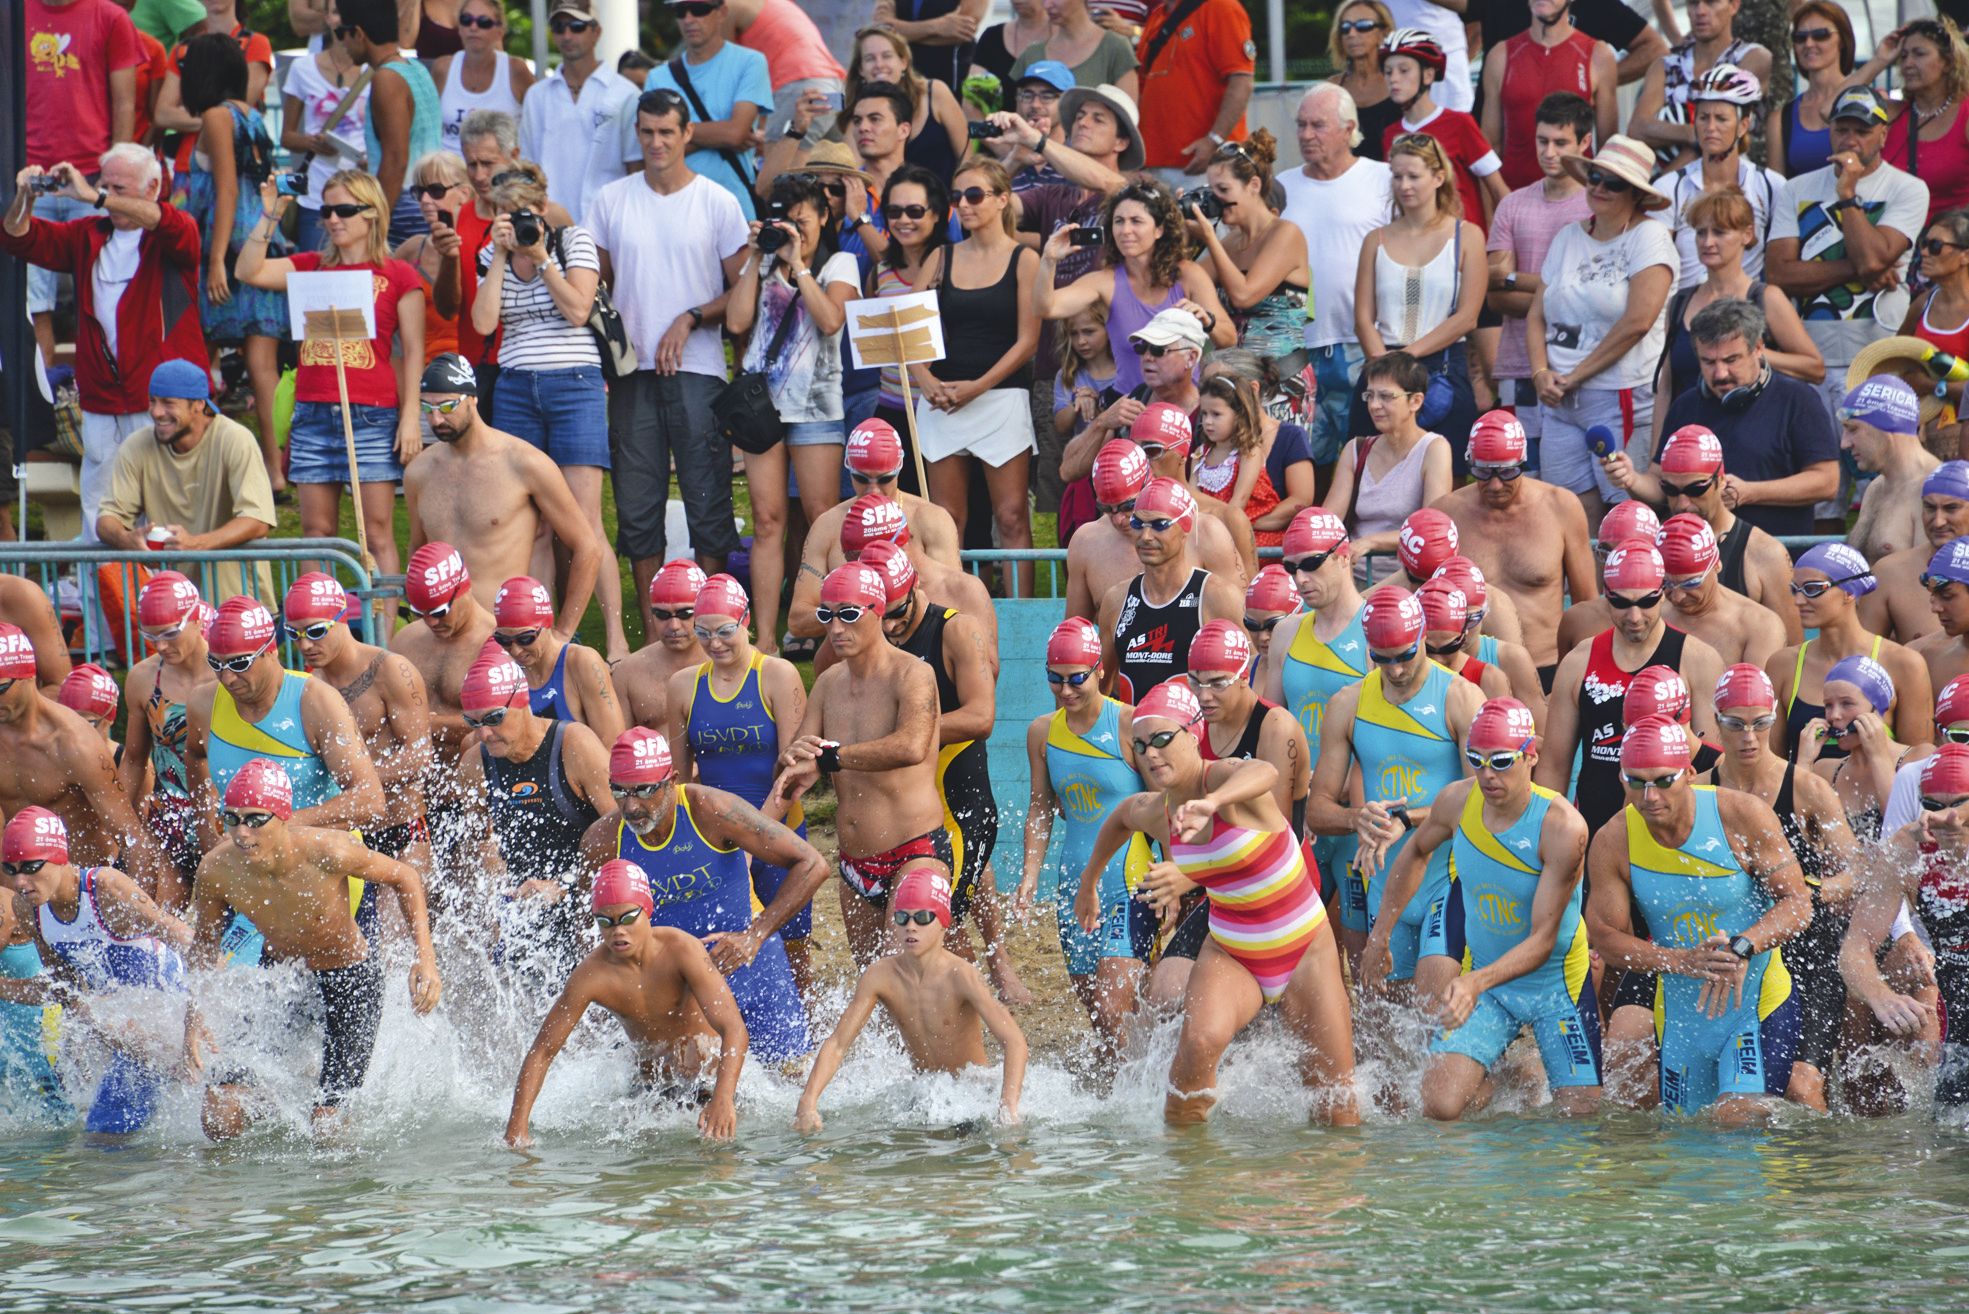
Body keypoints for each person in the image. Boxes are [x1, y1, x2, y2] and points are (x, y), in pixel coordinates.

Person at [1082, 679, 1358, 1125]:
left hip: (1304, 948)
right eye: (1140, 745)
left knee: (1337, 1110)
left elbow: (1265, 772)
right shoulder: (1159, 810)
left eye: (1162, 739)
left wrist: (1212, 803)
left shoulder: (1228, 781)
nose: (1151, 753)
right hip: (1233, 950)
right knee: (1198, 1045)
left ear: (1193, 736)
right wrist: (1089, 881)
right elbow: (1120, 817)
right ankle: (1189, 1178)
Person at [186, 758, 440, 1140]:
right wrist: (193, 1017)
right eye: (231, 818)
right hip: (283, 978)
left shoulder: (328, 850)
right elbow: (204, 947)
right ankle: (281, 1106)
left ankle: (327, 1123)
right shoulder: (216, 870)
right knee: (220, 1116)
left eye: (255, 819)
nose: (241, 832)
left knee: (327, 1128)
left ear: (283, 816)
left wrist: (426, 959)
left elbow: (405, 876)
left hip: (351, 980)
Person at [1372, 697, 1601, 1117]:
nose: (1486, 775)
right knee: (1439, 1107)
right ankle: (1507, 1074)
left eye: (1500, 761)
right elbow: (1416, 852)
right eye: (1475, 760)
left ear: (1530, 755)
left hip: (1556, 988)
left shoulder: (1562, 827)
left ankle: (1525, 1066)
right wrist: (1380, 934)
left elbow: (1543, 940)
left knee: (1580, 1120)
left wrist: (1473, 982)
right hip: (1493, 988)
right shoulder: (1458, 801)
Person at [1586, 715, 1810, 1119]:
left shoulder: (1741, 815)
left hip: (1754, 1006)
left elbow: (1798, 903)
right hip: (1681, 1018)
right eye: (1636, 781)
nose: (1650, 796)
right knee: (1685, 1147)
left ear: (1689, 773)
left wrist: (1743, 947)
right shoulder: (1614, 840)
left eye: (1663, 780)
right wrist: (1681, 962)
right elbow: (1604, 936)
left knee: (1736, 1122)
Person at [589, 89, 749, 625]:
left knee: (708, 498)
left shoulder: (717, 201)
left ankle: (711, 620)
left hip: (700, 369)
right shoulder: (611, 199)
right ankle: (658, 632)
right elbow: (597, 285)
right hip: (630, 372)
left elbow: (742, 291)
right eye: (647, 131)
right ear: (637, 133)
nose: (656, 142)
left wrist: (691, 316)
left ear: (686, 135)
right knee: (637, 504)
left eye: (666, 132)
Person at [582, 726, 820, 1064]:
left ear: (673, 781)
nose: (631, 806)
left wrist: (755, 935)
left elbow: (812, 863)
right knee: (683, 1098)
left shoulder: (712, 810)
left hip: (746, 962)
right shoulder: (601, 841)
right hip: (673, 982)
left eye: (644, 790)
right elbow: (589, 926)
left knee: (789, 1079)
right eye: (619, 792)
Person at [2, 147, 206, 535]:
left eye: (119, 187)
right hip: (101, 398)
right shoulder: (87, 234)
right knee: (99, 508)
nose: (107, 194)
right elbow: (18, 237)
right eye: (104, 184)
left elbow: (169, 223)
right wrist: (26, 197)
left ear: (152, 188)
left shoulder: (173, 232)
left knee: (162, 507)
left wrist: (92, 197)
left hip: (159, 397)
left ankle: (166, 594)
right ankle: (101, 594)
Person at [238, 168, 422, 580]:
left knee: (376, 534)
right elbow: (248, 271)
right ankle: (316, 631)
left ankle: (384, 638)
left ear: (371, 213)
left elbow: (413, 352)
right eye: (326, 211)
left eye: (343, 209)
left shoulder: (399, 274)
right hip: (314, 414)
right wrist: (270, 215)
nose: (333, 219)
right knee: (316, 533)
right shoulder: (311, 266)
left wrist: (411, 417)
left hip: (372, 415)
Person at [1311, 588, 1483, 1009]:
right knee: (1384, 1028)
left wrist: (1408, 818)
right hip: (1385, 885)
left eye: (1405, 655)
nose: (1397, 668)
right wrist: (1357, 820)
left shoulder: (1459, 698)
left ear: (1423, 635)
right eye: (1383, 658)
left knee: (1433, 1008)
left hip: (1448, 878)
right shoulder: (1348, 705)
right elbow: (1317, 810)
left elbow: (1483, 799)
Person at [1699, 663, 1858, 1111]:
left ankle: (1821, 1178)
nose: (1749, 736)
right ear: (1716, 721)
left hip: (1808, 958)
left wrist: (1816, 889)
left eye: (1760, 723)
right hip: (1735, 956)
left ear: (1774, 718)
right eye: (1735, 724)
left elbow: (1857, 871)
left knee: (1802, 1090)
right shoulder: (1700, 791)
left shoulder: (1806, 789)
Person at [467, 160, 618, 634]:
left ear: (543, 205)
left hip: (575, 384)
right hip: (515, 386)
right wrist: (497, 256)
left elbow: (577, 310)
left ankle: (615, 636)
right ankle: (538, 635)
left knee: (584, 521)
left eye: (525, 212)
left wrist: (543, 256)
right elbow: (484, 324)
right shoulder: (489, 253)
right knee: (531, 524)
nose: (518, 222)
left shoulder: (573, 241)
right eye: (507, 214)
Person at [770, 564, 946, 967]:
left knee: (907, 977)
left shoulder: (913, 673)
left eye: (848, 614)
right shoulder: (830, 681)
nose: (835, 627)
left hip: (914, 850)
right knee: (876, 981)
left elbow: (911, 746)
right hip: (853, 864)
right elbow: (801, 756)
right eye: (825, 615)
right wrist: (795, 760)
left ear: (878, 612)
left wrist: (831, 757)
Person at [505, 859, 749, 1147]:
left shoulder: (681, 950)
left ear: (647, 910)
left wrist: (723, 1098)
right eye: (605, 922)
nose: (617, 931)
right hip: (649, 1090)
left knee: (719, 1162)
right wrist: (516, 1130)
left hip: (709, 1085)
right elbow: (542, 1052)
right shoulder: (591, 975)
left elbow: (734, 1029)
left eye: (627, 917)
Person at [659, 577, 817, 995]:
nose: (714, 643)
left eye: (725, 631)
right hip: (718, 836)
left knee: (792, 946)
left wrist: (756, 837)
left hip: (777, 829)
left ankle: (808, 1035)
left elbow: (794, 775)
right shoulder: (683, 685)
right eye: (704, 633)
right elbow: (676, 781)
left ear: (746, 621)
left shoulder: (777, 676)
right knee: (718, 948)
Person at [723, 174, 858, 652]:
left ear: (824, 217)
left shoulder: (839, 262)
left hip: (817, 405)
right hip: (764, 409)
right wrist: (758, 258)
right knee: (767, 521)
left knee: (822, 515)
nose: (794, 228)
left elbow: (830, 320)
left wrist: (799, 264)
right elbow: (736, 322)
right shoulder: (762, 265)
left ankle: (829, 627)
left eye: (803, 218)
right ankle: (763, 639)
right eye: (786, 221)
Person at [794, 862, 1028, 1132]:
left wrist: (1008, 1105)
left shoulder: (961, 976)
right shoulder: (880, 976)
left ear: (943, 921)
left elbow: (1014, 1041)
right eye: (903, 918)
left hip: (971, 1094)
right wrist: (808, 1101)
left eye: (922, 918)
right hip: (924, 1093)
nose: (911, 927)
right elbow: (837, 1044)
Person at [3, 808, 190, 1134]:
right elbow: (62, 990)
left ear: (58, 857)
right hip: (125, 1027)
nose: (20, 882)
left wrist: (199, 1025)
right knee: (104, 1136)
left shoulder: (104, 887)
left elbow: (187, 940)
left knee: (105, 1137)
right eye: (10, 869)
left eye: (31, 867)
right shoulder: (29, 909)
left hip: (172, 1011)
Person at [406, 353, 608, 652]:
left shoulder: (524, 463)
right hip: (442, 639)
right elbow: (418, 552)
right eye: (427, 408)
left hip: (504, 640)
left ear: (472, 399)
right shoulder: (418, 473)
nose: (436, 418)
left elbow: (587, 548)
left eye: (447, 406)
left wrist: (563, 634)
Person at [1020, 617, 1154, 1066]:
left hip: (1129, 883)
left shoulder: (1129, 725)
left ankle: (1148, 1099)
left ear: (1099, 669)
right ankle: (1133, 1094)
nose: (1066, 690)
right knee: (1099, 1012)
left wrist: (1176, 870)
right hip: (1074, 887)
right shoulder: (1043, 732)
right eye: (1055, 679)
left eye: (1077, 678)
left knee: (1113, 1003)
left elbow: (1163, 804)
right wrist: (1029, 875)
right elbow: (1040, 807)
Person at [1525, 133, 1677, 527]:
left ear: (1636, 194)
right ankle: (1586, 592)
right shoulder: (1567, 236)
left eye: (1613, 183)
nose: (1598, 188)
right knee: (1570, 514)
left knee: (1626, 515)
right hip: (1559, 399)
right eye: (1594, 176)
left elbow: (1638, 323)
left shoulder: (1650, 237)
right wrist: (1541, 373)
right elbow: (1535, 314)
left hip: (1618, 393)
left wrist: (1573, 376)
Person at [1765, 88, 1929, 432]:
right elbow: (1779, 273)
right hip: (1809, 356)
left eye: (1862, 131)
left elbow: (1872, 260)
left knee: (1872, 470)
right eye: (1842, 129)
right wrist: (1860, 269)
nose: (1850, 140)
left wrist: (1847, 195)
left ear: (1883, 135)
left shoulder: (1909, 188)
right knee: (1823, 470)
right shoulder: (1795, 189)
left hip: (1879, 356)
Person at [1538, 539, 1725, 839]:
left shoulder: (1698, 661)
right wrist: (1546, 839)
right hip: (1596, 832)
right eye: (1622, 603)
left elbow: (1707, 766)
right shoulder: (1579, 662)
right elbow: (1554, 767)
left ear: (1663, 593)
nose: (1634, 616)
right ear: (1606, 596)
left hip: (1672, 836)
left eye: (1646, 602)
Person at [184, 596, 387, 870]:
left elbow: (370, 800)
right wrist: (207, 833)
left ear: (271, 650)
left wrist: (274, 827)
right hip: (247, 870)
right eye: (216, 664)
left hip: (322, 868)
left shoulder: (315, 701)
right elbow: (195, 757)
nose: (228, 677)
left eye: (240, 663)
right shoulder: (203, 703)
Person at [450, 650, 610, 983]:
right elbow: (477, 847)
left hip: (588, 896)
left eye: (493, 718)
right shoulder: (474, 765)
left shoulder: (575, 745)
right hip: (523, 907)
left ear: (522, 701)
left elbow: (626, 834)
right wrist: (490, 895)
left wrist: (569, 889)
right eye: (473, 722)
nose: (484, 733)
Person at [173, 33, 286, 480]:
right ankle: (277, 471)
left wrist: (216, 258)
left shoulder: (217, 117)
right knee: (263, 366)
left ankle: (201, 461)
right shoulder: (253, 116)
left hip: (226, 249)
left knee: (198, 355)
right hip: (261, 242)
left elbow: (225, 189)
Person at [1842, 744, 1969, 1114]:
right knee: (1951, 1131)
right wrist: (1880, 996)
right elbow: (1856, 947)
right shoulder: (1908, 849)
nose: (1945, 819)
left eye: (1958, 804)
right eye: (1931, 806)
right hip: (1959, 1000)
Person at [0, 624, 169, 899]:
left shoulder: (73, 743)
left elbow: (132, 838)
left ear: (28, 676)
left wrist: (140, 926)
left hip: (86, 893)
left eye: (1, 688)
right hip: (19, 896)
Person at [282, 573, 434, 875]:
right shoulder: (311, 688)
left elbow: (420, 756)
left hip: (402, 830)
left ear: (341, 618)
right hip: (343, 835)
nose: (305, 645)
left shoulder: (390, 670)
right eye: (294, 634)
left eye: (315, 631)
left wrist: (360, 785)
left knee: (395, 924)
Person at [1277, 83, 1393, 473]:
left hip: (1361, 343)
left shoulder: (1384, 180)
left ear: (1348, 128)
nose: (1306, 135)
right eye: (1301, 125)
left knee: (1368, 459)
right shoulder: (1282, 187)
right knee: (1303, 462)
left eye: (1318, 125)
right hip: (1297, 347)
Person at [1649, 191, 1825, 446]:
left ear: (1747, 234)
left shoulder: (1766, 297)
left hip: (1755, 438)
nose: (1707, 242)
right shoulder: (1680, 302)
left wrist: (1749, 355)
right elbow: (1666, 388)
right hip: (1692, 442)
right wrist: (1659, 453)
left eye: (1719, 232)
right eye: (1700, 232)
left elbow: (1815, 368)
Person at [22, 0, 143, 370]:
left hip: (90, 179)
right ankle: (37, 412)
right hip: (29, 180)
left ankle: (100, 396)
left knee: (102, 301)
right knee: (32, 307)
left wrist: (114, 180)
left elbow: (126, 102)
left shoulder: (109, 16)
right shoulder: (11, 14)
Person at [1432, 408, 1596, 679]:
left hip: (1545, 667)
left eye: (1507, 472)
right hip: (1470, 673)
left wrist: (1581, 676)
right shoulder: (1447, 514)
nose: (1495, 485)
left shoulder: (1560, 507)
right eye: (1482, 473)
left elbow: (1586, 606)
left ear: (1523, 462)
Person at [93, 360, 275, 602]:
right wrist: (126, 539)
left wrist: (196, 544)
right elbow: (107, 519)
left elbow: (257, 520)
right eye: (153, 400)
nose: (156, 412)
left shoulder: (235, 439)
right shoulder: (137, 445)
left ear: (198, 404)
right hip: (174, 612)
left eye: (168, 403)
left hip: (239, 606)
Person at [1604, 424, 1802, 643]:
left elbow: (1791, 653)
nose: (1682, 503)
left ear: (1722, 479)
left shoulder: (1765, 554)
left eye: (1695, 489)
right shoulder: (1652, 550)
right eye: (1670, 489)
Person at [1037, 178, 1235, 399]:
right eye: (1119, 221)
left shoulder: (1188, 274)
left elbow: (1228, 339)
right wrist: (1048, 259)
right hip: (1130, 409)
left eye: (1136, 221)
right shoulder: (1105, 280)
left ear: (1159, 229)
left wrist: (1208, 321)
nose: (1125, 230)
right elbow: (1047, 308)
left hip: (1186, 411)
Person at [1486, 92, 1593, 469]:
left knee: (1577, 485)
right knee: (1521, 478)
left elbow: (1588, 296)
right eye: (1542, 141)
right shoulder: (1513, 204)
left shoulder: (1596, 205)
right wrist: (1556, 290)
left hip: (1581, 368)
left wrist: (1515, 278)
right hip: (1519, 368)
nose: (1549, 152)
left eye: (1560, 143)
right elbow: (1496, 295)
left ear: (1584, 142)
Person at [788, 421, 968, 638]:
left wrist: (894, 597)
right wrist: (848, 610)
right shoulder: (828, 526)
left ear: (900, 468)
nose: (873, 489)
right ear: (849, 468)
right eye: (862, 478)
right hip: (855, 659)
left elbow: (954, 604)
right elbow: (798, 620)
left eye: (884, 479)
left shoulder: (931, 519)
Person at [1767, 543, 1933, 758]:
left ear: (1848, 592)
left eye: (1812, 589)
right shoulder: (1783, 665)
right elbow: (1772, 762)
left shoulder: (1903, 664)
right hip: (1803, 790)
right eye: (1795, 590)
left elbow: (1917, 763)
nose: (1799, 601)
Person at [1096, 477, 1245, 701]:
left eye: (1160, 525)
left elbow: (1249, 682)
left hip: (1197, 735)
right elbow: (1097, 687)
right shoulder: (1117, 600)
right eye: (1138, 524)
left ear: (1185, 527)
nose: (1146, 536)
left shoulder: (1217, 596)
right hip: (1134, 734)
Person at [1064, 439, 1243, 623]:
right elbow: (1076, 634)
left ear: (1149, 483)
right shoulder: (1085, 542)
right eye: (1108, 509)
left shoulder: (1205, 532)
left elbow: (1242, 623)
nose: (1118, 519)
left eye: (1128, 506)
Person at [1321, 352, 1454, 573]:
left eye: (1385, 396)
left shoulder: (1434, 449)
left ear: (1415, 401)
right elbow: (1329, 520)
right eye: (1370, 396)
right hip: (1350, 576)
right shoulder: (1356, 448)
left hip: (1406, 580)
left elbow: (1431, 529)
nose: (1374, 405)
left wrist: (1372, 542)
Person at [1184, 132, 1310, 365]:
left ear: (1253, 185)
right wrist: (1183, 233)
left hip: (1281, 378)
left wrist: (1210, 238)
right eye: (1211, 191)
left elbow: (1244, 296)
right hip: (1236, 376)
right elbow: (1186, 284)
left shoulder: (1286, 233)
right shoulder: (1230, 242)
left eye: (1223, 189)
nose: (1216, 200)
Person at [117, 574, 212, 884]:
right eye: (150, 635)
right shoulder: (143, 678)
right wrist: (120, 827)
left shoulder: (230, 673)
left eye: (171, 633)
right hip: (170, 816)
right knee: (161, 917)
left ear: (196, 619)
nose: (160, 645)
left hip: (230, 815)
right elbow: (133, 759)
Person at [641, 0, 771, 219]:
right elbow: (651, 150)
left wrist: (671, 136)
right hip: (672, 210)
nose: (689, 19)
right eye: (681, 11)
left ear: (722, 12)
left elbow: (736, 133)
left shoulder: (750, 63)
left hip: (735, 208)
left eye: (699, 9)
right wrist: (723, 134)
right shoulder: (658, 76)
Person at [1659, 64, 1784, 290]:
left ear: (1743, 125)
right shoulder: (1670, 187)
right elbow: (1655, 266)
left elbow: (1781, 267)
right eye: (1703, 118)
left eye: (1721, 119)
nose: (1710, 127)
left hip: (1746, 315)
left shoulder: (1771, 186)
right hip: (1685, 313)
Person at [517, 0, 637, 225]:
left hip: (609, 224)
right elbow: (527, 168)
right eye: (559, 27)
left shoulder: (626, 94)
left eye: (577, 26)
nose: (567, 35)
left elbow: (636, 169)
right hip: (549, 224)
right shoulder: (537, 95)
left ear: (596, 31)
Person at [389, 543, 498, 787]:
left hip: (475, 792)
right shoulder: (405, 641)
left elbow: (505, 725)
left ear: (463, 589)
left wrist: (425, 723)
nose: (430, 621)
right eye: (420, 612)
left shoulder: (497, 644)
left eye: (439, 611)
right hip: (417, 792)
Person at [1480, 0, 1617, 193]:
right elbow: (1488, 151)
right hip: (1514, 198)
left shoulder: (1598, 54)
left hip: (1578, 203)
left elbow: (1608, 151)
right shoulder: (1501, 54)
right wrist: (1493, 214)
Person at [1378, 30, 1505, 230]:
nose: (1394, 78)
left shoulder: (1460, 124)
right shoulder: (1390, 135)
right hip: (1418, 248)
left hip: (1463, 245)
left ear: (1428, 75)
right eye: (1388, 71)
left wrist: (1501, 245)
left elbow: (1498, 190)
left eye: (1403, 70)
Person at [1628, 0, 1770, 174]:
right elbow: (1636, 129)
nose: (1700, 11)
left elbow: (1718, 138)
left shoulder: (1752, 57)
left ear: (1733, 5)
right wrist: (1690, 133)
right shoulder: (1665, 65)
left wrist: (1661, 189)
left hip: (1729, 184)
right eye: (1693, 3)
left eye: (1711, 2)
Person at [340, 0, 441, 241]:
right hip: (430, 201)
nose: (341, 42)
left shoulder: (387, 78)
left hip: (403, 209)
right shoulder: (416, 68)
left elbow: (396, 161)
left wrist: (373, 225)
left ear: (359, 33)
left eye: (341, 32)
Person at [491, 576, 624, 749]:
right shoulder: (502, 673)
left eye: (525, 638)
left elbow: (613, 747)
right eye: (503, 640)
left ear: (548, 624)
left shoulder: (581, 663)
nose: (515, 650)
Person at [1801, 655, 1917, 845]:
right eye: (1828, 705)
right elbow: (1802, 840)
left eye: (1847, 703)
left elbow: (1903, 841)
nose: (1834, 716)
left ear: (1876, 708)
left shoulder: (1916, 759)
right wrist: (1804, 764)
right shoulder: (1826, 771)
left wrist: (1879, 757)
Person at [278, 15, 370, 253]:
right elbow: (287, 137)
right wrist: (313, 142)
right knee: (315, 272)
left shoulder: (374, 70)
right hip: (317, 196)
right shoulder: (303, 68)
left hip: (361, 193)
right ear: (329, 19)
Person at [1133, 0, 1252, 185]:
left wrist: (1214, 141)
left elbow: (1241, 81)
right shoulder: (1157, 16)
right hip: (1153, 165)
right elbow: (1140, 89)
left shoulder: (1221, 7)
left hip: (1205, 164)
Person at [1199, 350, 1316, 531]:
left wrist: (1239, 524)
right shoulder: (1207, 438)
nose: (1211, 394)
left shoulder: (1290, 437)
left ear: (1253, 388)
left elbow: (1300, 500)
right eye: (1207, 385)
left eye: (1220, 386)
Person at [1653, 513, 1786, 670]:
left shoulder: (1759, 625)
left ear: (1717, 565)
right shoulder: (1647, 614)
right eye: (1666, 583)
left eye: (1691, 583)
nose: (1677, 597)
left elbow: (1756, 693)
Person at [838, 27, 967, 187]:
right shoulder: (858, 118)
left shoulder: (934, 93)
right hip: (893, 209)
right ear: (861, 70)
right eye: (870, 59)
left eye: (887, 56)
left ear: (904, 62)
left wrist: (960, 200)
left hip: (948, 203)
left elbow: (966, 155)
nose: (879, 65)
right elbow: (852, 175)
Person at [1864, 465, 1969, 645]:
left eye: (1951, 508)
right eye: (1929, 507)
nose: (1938, 521)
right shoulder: (1889, 572)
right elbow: (1862, 656)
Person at [1879, 18, 1969, 229]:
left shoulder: (1964, 114)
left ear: (1947, 62)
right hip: (1894, 247)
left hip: (1949, 250)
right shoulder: (1893, 113)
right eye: (1903, 56)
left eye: (1919, 54)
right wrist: (1880, 60)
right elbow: (1830, 110)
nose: (1908, 63)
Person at [1844, 377, 1941, 562]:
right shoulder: (1876, 488)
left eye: (1853, 429)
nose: (1844, 443)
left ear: (1886, 426)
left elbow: (1931, 585)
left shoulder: (1935, 491)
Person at [1898, 210, 1969, 460]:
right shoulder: (1922, 303)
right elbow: (1897, 361)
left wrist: (1931, 386)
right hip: (1923, 433)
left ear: (1965, 256)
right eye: (1924, 244)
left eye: (1936, 246)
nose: (1925, 253)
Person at [612, 560, 709, 732]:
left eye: (684, 613)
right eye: (662, 614)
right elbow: (616, 748)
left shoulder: (736, 664)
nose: (674, 625)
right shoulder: (628, 673)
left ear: (704, 608)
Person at [393, 151, 469, 365]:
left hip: (471, 371)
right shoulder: (413, 248)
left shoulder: (483, 245)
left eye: (436, 191)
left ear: (464, 193)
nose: (425, 200)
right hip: (422, 371)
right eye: (419, 191)